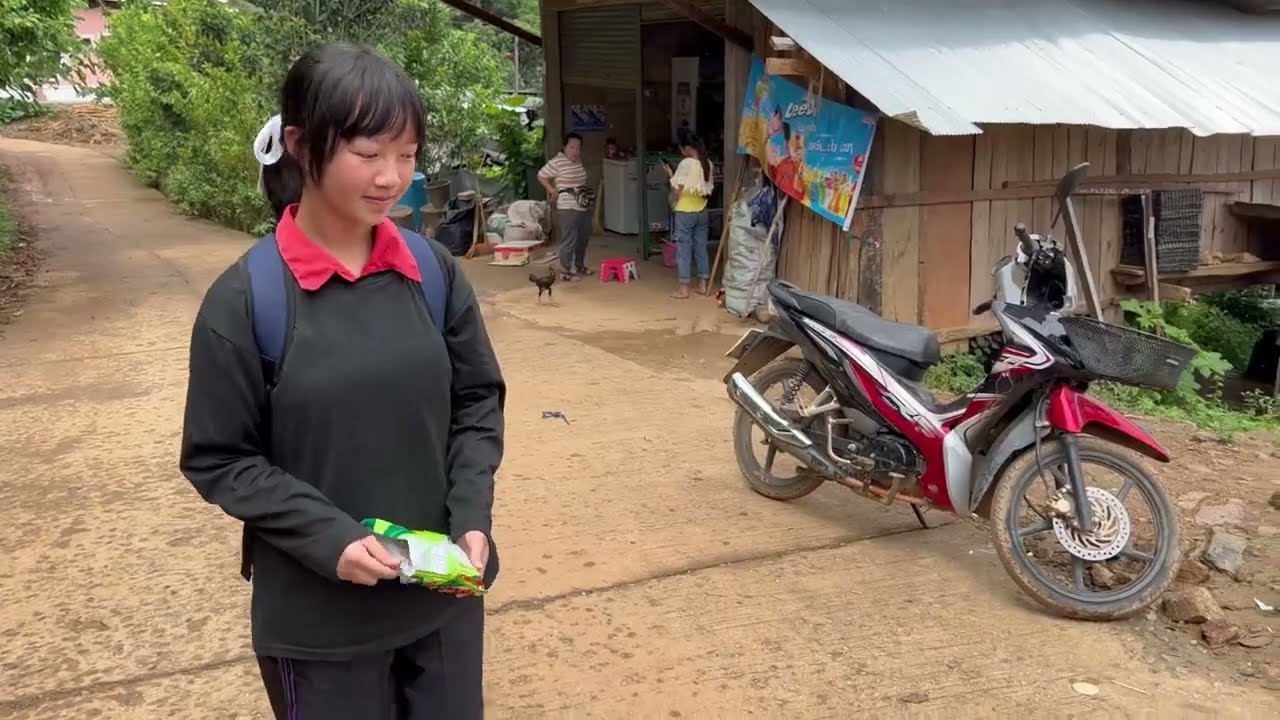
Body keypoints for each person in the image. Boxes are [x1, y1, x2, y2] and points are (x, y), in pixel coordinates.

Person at [179, 43, 505, 720]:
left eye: (408, 154)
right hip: (319, 630)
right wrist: (329, 538)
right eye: (368, 153)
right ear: (302, 145)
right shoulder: (248, 301)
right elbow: (220, 458)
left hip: (440, 604)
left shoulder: (433, 273)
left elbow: (476, 401)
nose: (392, 177)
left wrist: (472, 515)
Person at [664, 135, 716, 298]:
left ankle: (683, 289)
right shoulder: (708, 163)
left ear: (687, 148)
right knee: (701, 247)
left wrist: (670, 174)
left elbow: (678, 189)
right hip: (702, 211)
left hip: (685, 212)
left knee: (684, 250)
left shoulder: (686, 163)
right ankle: (703, 285)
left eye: (681, 148)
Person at [537, 132, 592, 280]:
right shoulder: (557, 162)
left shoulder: (578, 161)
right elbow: (541, 175)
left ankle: (580, 266)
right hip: (567, 207)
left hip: (582, 204)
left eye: (578, 148)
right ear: (564, 147)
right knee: (569, 240)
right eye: (572, 147)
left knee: (583, 238)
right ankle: (566, 271)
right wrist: (552, 190)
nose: (575, 151)